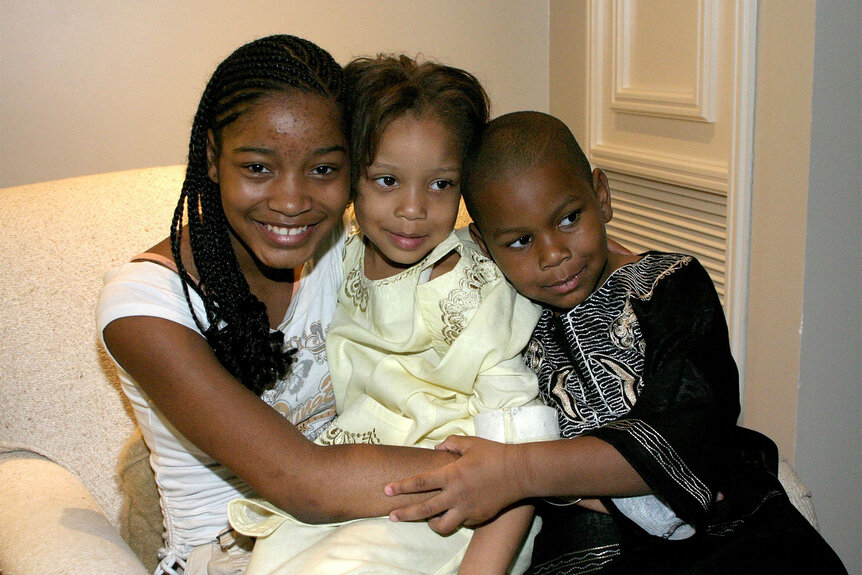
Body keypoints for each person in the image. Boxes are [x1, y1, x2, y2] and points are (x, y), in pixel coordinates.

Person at [384, 111, 848, 574]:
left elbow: (690, 431)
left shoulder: (668, 286)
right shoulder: (502, 313)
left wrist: (520, 471)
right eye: (521, 241)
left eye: (568, 219)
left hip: (724, 532)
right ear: (486, 246)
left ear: (601, 196)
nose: (553, 255)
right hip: (585, 550)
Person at [96, 35, 462, 575]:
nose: (292, 202)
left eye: (323, 170)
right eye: (258, 168)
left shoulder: (340, 245)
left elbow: (483, 240)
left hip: (366, 525)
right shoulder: (144, 303)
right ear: (213, 158)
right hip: (230, 553)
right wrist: (497, 472)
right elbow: (303, 481)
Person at [228, 55, 554, 575]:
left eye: (441, 184)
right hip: (353, 485)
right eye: (387, 180)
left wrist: (485, 568)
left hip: (460, 508)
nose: (413, 209)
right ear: (350, 177)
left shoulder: (475, 289)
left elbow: (523, 438)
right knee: (269, 560)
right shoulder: (341, 258)